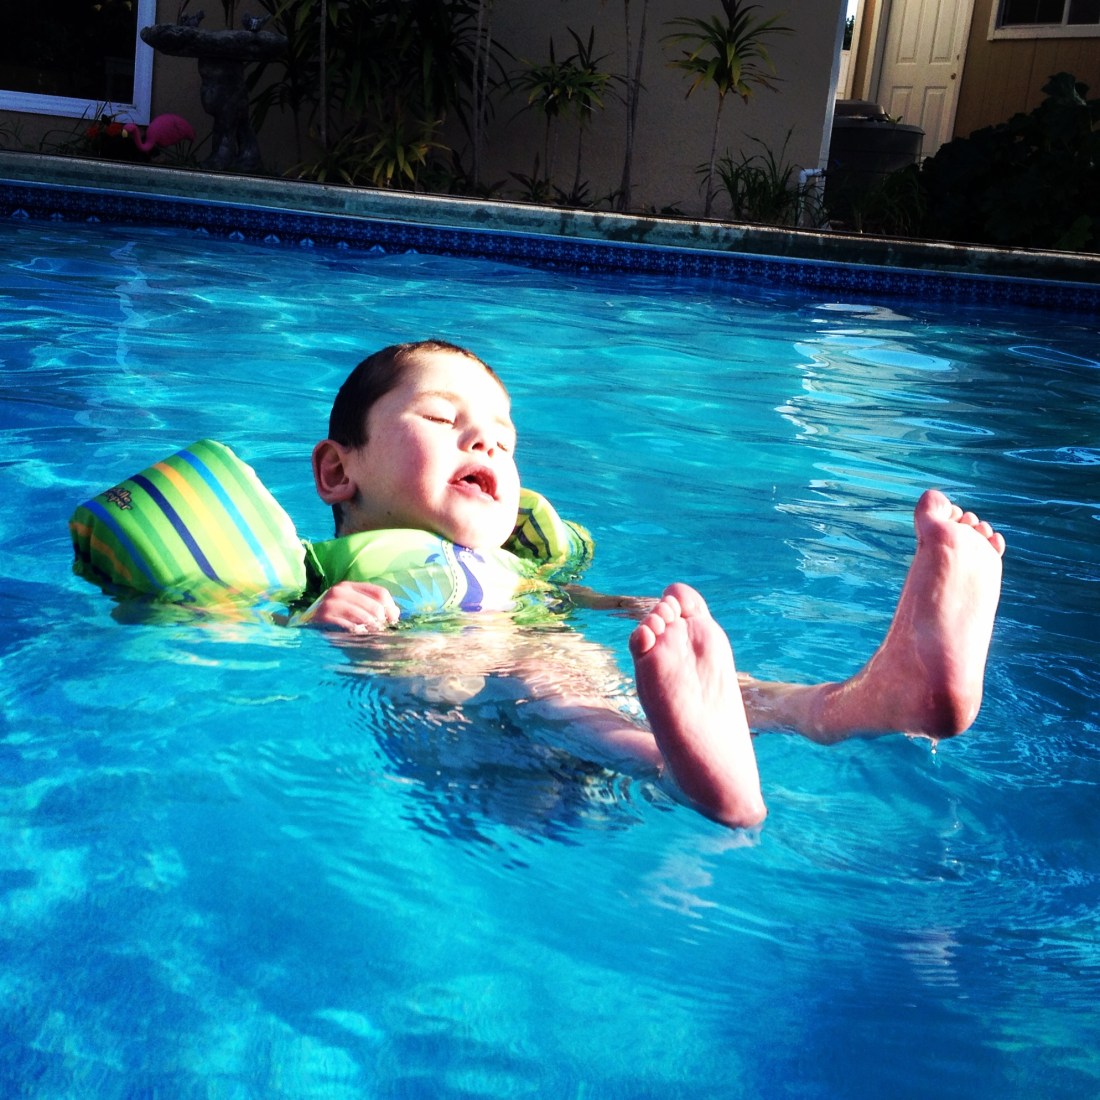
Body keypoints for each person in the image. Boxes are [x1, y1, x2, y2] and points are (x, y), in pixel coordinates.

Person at [301, 339, 1006, 830]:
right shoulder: (320, 573)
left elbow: (551, 597)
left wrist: (611, 604)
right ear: (339, 472)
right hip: (474, 752)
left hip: (550, 688)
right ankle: (682, 765)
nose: (485, 442)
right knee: (551, 682)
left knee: (728, 689)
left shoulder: (513, 568)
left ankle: (874, 699)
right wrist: (320, 619)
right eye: (440, 418)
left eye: (504, 439)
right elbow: (242, 613)